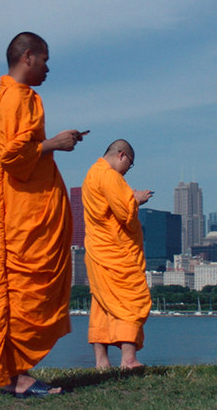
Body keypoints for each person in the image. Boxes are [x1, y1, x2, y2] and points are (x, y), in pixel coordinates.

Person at [0, 32, 87, 397]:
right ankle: (16, 376)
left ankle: (15, 372)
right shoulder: (14, 98)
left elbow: (20, 149)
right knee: (23, 289)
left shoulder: (15, 97)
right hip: (21, 213)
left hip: (26, 207)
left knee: (27, 290)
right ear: (28, 57)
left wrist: (53, 142)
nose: (48, 67)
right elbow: (11, 156)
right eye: (44, 59)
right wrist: (54, 143)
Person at [82, 139, 154, 369]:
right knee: (131, 300)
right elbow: (124, 212)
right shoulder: (110, 176)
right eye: (129, 165)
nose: (127, 171)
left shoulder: (91, 174)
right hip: (117, 251)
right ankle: (128, 359)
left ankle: (101, 362)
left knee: (102, 304)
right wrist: (137, 199)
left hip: (97, 249)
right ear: (122, 155)